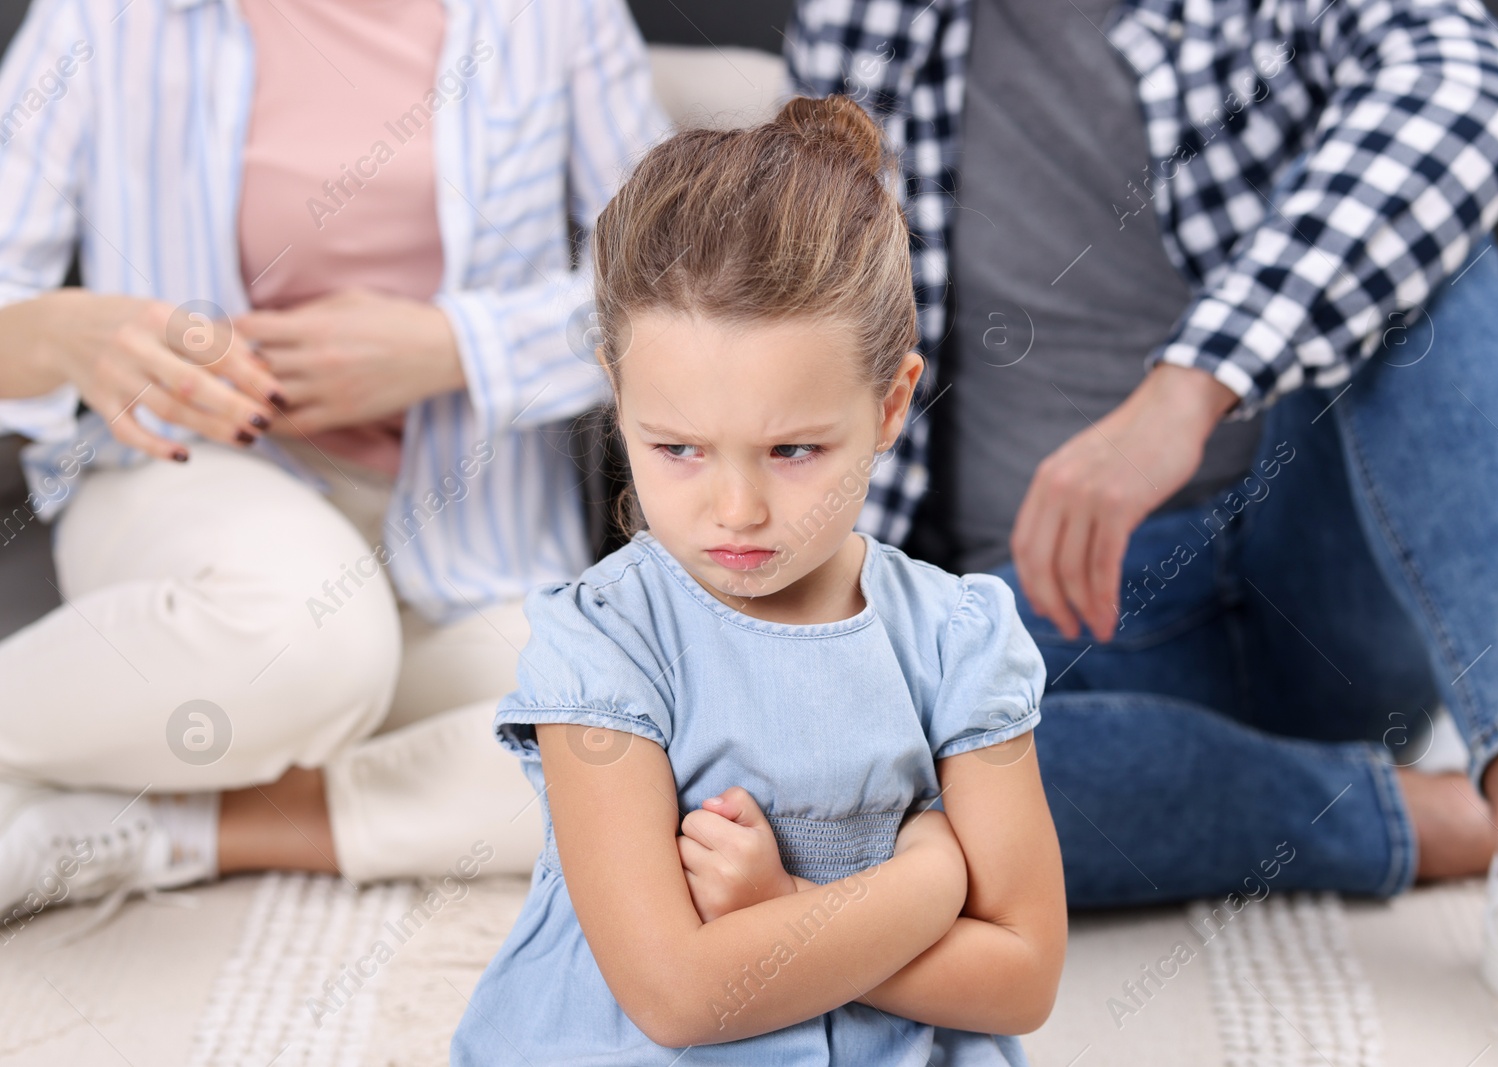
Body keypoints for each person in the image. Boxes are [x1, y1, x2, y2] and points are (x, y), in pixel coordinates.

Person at [790, 0, 1498, 1061]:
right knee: (842, 790)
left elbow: (1471, 91)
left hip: (1314, 567)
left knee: (1427, 228)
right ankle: (1423, 815)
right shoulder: (861, 24)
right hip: (1046, 631)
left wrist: (1188, 389)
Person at [0, 0, 667, 931]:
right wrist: (66, 331)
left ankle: (185, 825)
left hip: (474, 532)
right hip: (199, 479)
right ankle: (290, 698)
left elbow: (669, 287)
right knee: (311, 644)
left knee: (654, 753)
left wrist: (458, 346)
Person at [451, 95, 1068, 1065]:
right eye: (679, 447)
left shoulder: (957, 637)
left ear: (891, 402)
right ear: (620, 398)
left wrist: (792, 909)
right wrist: (921, 883)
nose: (735, 509)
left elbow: (1022, 976)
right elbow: (677, 993)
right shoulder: (605, 641)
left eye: (792, 449)